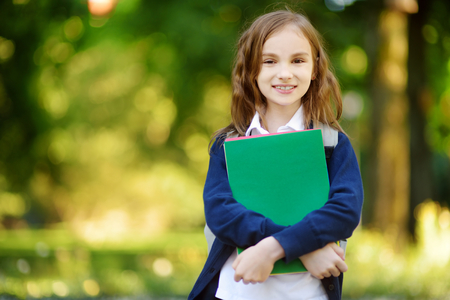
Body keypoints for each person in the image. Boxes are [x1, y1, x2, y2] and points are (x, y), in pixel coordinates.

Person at [189, 9, 363, 300]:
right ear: (252, 70)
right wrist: (305, 249)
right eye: (269, 61)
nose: (285, 73)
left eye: (297, 60)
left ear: (315, 68)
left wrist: (274, 249)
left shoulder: (332, 144)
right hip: (235, 293)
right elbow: (221, 213)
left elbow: (344, 212)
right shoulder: (228, 144)